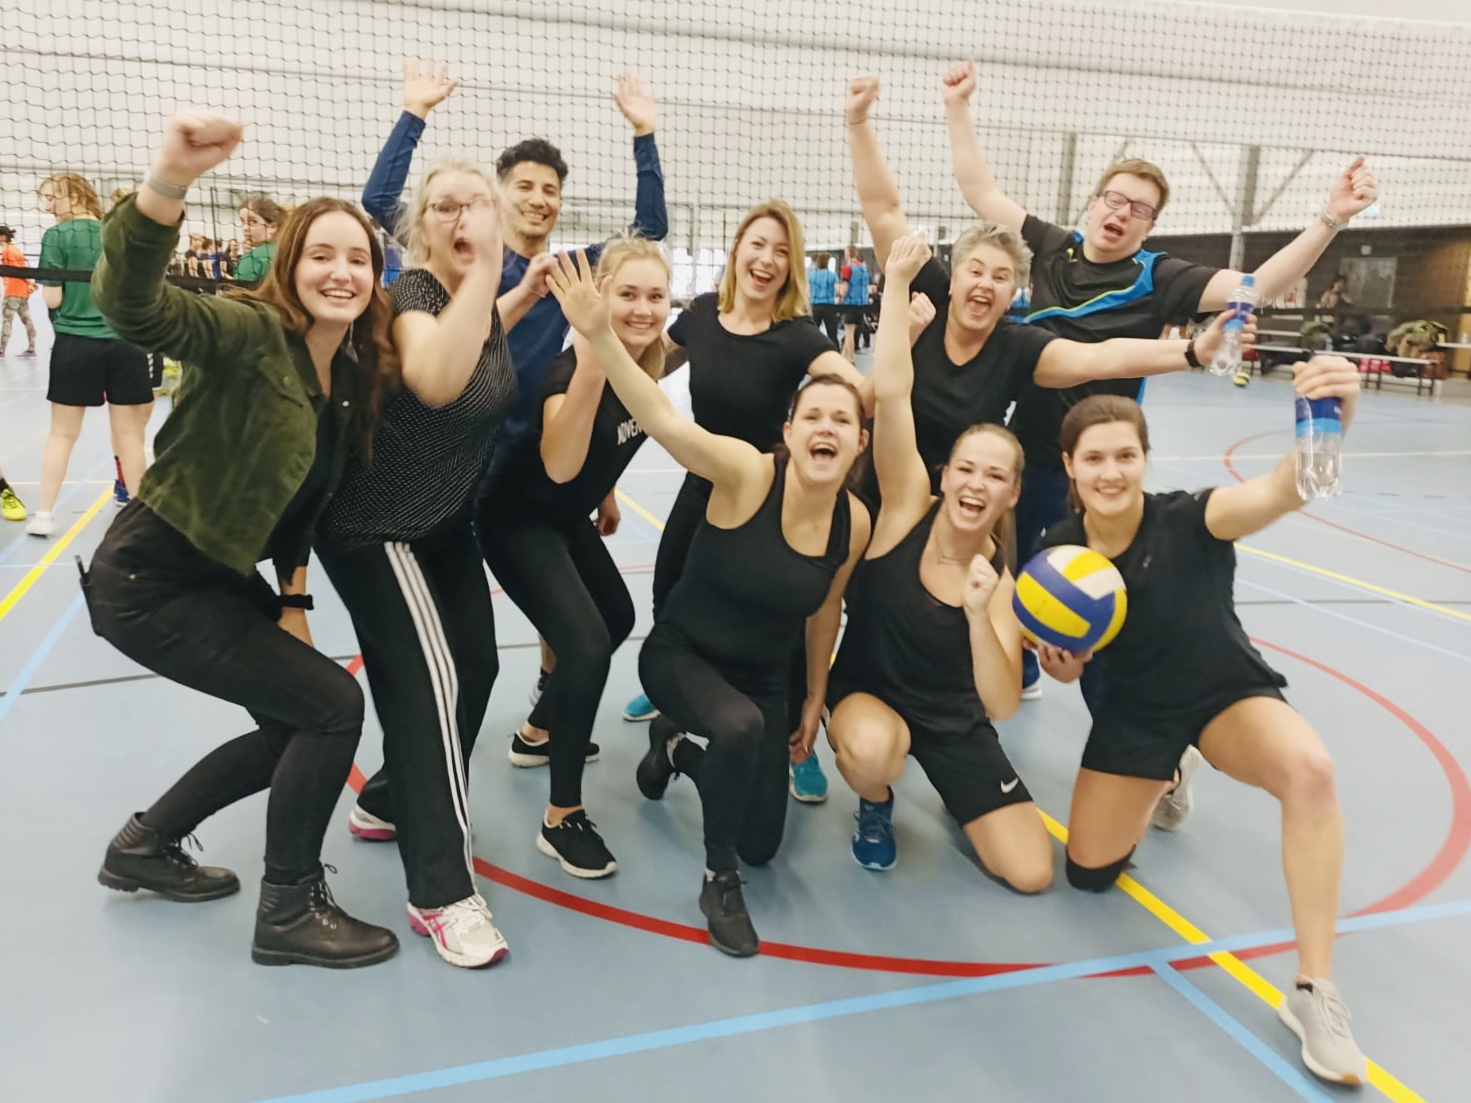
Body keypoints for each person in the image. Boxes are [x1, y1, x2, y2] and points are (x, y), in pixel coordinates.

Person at [941, 59, 1376, 739]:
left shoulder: (1160, 276)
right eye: (1113, 198)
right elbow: (979, 189)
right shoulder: (1052, 249)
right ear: (1092, 202)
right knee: (1004, 578)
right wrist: (958, 106)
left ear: (1149, 225)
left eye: (1138, 209)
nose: (1120, 213)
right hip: (1024, 450)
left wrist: (1329, 218)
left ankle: (1147, 738)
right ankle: (1011, 672)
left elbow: (1255, 285)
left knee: (1093, 599)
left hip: (1096, 468)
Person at [86, 112, 401, 969]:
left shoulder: (348, 377)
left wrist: (293, 602)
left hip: (215, 577)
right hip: (151, 577)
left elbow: (301, 511)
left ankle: (144, 846)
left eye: (358, 258)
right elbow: (133, 306)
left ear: (377, 278)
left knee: (294, 719)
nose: (340, 271)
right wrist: (168, 182)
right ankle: (289, 906)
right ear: (289, 264)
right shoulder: (247, 332)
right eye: (321, 254)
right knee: (334, 707)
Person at [1036, 359, 1368, 1086]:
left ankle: (1314, 989)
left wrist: (1333, 416)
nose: (1111, 470)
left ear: (1144, 459)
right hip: (1135, 714)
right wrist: (1062, 666)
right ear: (1069, 464)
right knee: (1088, 872)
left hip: (1222, 696)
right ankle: (1168, 775)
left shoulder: (1193, 516)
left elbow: (1287, 486)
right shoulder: (1058, 554)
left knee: (1310, 771)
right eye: (1094, 457)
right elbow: (1061, 666)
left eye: (1126, 455)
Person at [548, 250, 871, 956]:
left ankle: (675, 748)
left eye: (839, 420)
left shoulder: (855, 519)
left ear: (857, 441)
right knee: (735, 729)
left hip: (763, 681)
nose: (824, 427)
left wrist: (814, 694)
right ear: (788, 431)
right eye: (810, 415)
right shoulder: (745, 473)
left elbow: (824, 609)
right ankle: (715, 878)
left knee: (763, 840)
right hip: (682, 656)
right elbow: (664, 419)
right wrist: (601, 335)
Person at [363, 59, 667, 717]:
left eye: (550, 188)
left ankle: (545, 703)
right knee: (457, 643)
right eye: (524, 186)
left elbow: (648, 232)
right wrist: (413, 114)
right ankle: (417, 750)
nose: (538, 198)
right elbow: (379, 206)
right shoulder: (463, 265)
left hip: (527, 470)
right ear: (496, 199)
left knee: (564, 609)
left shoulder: (568, 270)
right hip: (450, 475)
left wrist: (644, 135)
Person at [845, 77, 1241, 508]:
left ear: (1016, 290)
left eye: (1000, 277)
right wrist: (859, 120)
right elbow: (883, 210)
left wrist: (1192, 352)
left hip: (957, 510)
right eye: (974, 271)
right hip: (876, 497)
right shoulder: (929, 302)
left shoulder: (1017, 346)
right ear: (953, 276)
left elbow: (1101, 357)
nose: (984, 284)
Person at [316, 156, 516, 969]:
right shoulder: (412, 301)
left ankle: (390, 797)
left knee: (476, 667)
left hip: (440, 524)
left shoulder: (480, 301)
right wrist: (496, 264)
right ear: (418, 228)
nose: (461, 216)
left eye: (477, 203)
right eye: (443, 207)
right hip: (376, 527)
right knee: (429, 686)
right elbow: (434, 378)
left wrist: (519, 292)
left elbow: (478, 344)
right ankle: (441, 891)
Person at [619, 201, 869, 811]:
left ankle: (790, 744)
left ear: (791, 269)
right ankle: (681, 699)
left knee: (778, 618)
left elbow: (855, 388)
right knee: (672, 598)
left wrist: (892, 362)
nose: (768, 260)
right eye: (759, 245)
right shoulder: (702, 315)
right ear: (736, 250)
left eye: (783, 252)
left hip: (769, 497)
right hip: (705, 486)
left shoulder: (797, 338)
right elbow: (650, 370)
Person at [826, 233, 1050, 888]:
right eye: (967, 470)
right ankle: (875, 801)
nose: (976, 486)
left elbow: (1003, 703)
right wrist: (895, 287)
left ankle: (963, 796)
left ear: (1011, 491)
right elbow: (892, 395)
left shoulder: (999, 578)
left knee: (1031, 872)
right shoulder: (903, 505)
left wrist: (982, 615)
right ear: (945, 474)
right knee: (873, 753)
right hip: (871, 695)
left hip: (954, 720)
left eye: (995, 477)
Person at [476, 236, 671, 880]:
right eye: (627, 295)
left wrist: (608, 490)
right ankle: (561, 819)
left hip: (566, 515)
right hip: (517, 517)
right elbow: (560, 467)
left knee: (614, 618)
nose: (642, 310)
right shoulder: (571, 370)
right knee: (586, 644)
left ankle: (536, 730)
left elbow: (612, 439)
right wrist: (591, 356)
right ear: (598, 299)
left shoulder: (657, 359)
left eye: (655, 295)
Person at [28, 173, 152, 538]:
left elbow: (53, 300)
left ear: (75, 195)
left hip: (76, 344)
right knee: (130, 436)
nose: (48, 206)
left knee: (62, 435)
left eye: (53, 198)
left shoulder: (57, 236)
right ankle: (142, 524)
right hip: (125, 343)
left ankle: (45, 515)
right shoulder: (115, 231)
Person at [0, 224, 38, 357]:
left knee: (6, 321)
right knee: (27, 320)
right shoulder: (16, 249)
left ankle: (1, 350)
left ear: (3, 237)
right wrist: (29, 284)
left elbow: (17, 270)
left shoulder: (7, 251)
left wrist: (30, 282)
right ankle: (31, 349)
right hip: (22, 292)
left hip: (12, 291)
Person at [238, 195, 284, 282]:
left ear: (272, 227)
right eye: (242, 221)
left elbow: (238, 291)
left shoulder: (252, 258)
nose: (245, 228)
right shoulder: (288, 252)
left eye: (253, 222)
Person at [838, 244, 870, 361]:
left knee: (849, 333)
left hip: (850, 303)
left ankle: (850, 359)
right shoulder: (863, 268)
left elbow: (845, 288)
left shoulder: (847, 268)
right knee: (851, 331)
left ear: (847, 253)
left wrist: (839, 292)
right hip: (862, 303)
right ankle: (842, 356)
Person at [809, 252, 841, 345]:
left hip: (815, 305)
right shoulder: (832, 275)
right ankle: (835, 353)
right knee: (832, 334)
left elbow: (807, 290)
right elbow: (838, 291)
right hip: (829, 306)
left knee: (812, 333)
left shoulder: (812, 275)